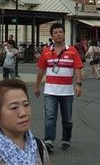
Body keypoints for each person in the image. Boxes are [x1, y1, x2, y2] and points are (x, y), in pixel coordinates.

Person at [34, 23, 83, 154]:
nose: (58, 34)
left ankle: (66, 139)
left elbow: (77, 68)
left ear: (63, 34)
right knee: (50, 116)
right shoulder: (46, 51)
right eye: (55, 32)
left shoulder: (72, 50)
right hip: (50, 90)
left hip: (67, 91)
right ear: (52, 36)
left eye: (60, 32)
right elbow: (41, 70)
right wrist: (37, 85)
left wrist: (78, 85)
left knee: (67, 117)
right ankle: (49, 141)